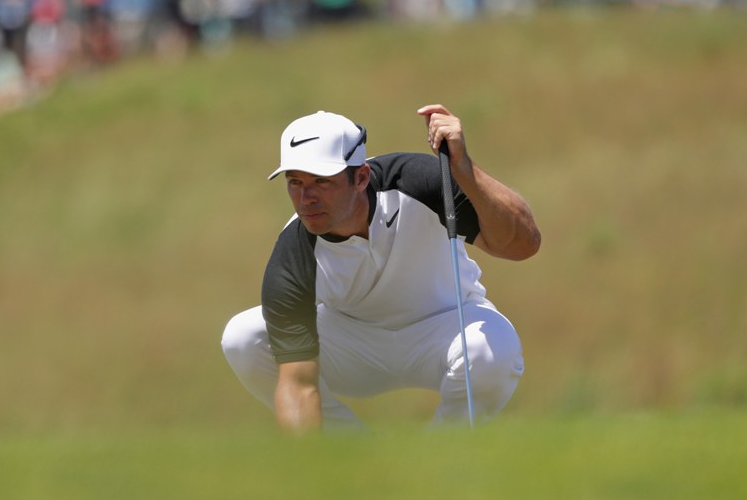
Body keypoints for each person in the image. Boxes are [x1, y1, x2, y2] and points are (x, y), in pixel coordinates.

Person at [221, 106, 541, 433]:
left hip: (444, 327)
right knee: (243, 337)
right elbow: (299, 385)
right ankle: (347, 460)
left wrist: (464, 169)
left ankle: (441, 461)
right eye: (295, 182)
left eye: (321, 181)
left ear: (360, 177)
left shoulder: (419, 182)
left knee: (493, 349)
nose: (306, 198)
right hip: (355, 345)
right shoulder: (293, 254)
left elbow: (523, 244)